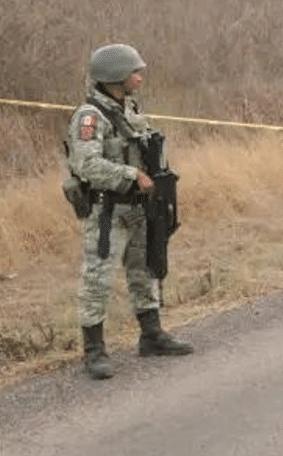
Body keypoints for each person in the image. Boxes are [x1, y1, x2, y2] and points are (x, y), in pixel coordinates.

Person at [67, 44, 193, 380]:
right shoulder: (90, 117)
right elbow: (87, 164)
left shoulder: (130, 109)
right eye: (134, 72)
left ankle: (151, 335)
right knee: (98, 278)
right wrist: (131, 175)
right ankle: (94, 350)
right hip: (108, 211)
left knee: (146, 270)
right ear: (114, 78)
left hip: (141, 209)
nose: (140, 77)